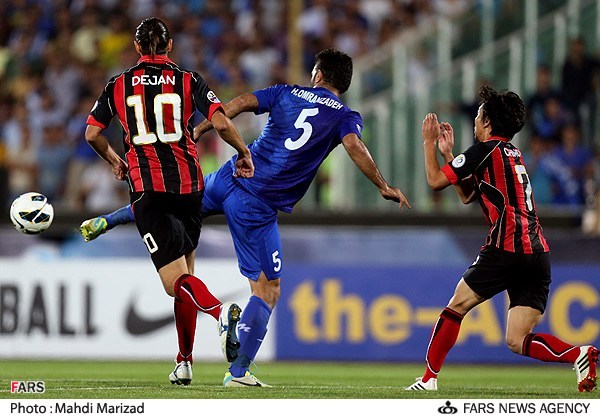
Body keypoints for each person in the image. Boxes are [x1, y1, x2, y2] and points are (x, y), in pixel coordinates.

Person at [80, 48, 411, 387]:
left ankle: (111, 221)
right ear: (343, 82)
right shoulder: (345, 116)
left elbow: (234, 105)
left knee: (170, 204)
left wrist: (199, 131)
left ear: (317, 75)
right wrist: (382, 185)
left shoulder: (284, 92)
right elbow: (354, 145)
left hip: (227, 177)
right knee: (268, 289)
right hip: (257, 203)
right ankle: (238, 372)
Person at [84, 17, 254, 386]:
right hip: (190, 187)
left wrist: (116, 160)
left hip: (148, 188)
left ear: (137, 48)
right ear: (170, 45)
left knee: (173, 282)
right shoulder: (189, 80)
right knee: (186, 277)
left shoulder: (118, 85)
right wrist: (242, 151)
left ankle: (220, 313)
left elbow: (93, 133)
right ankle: (184, 361)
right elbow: (222, 123)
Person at [405, 85, 598, 392]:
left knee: (455, 307)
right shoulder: (512, 153)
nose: (475, 120)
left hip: (506, 246)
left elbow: (434, 181)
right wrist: (449, 154)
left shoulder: (485, 150)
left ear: (488, 123)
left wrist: (428, 144)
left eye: (479, 115)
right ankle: (579, 354)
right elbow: (469, 195)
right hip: (537, 254)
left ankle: (428, 379)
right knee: (517, 340)